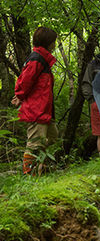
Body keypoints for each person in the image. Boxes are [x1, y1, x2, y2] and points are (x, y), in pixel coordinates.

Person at [12, 27, 58, 175]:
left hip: (45, 109)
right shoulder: (36, 59)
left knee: (52, 136)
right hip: (36, 109)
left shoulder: (43, 59)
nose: (55, 44)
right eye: (53, 42)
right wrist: (19, 95)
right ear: (48, 43)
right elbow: (25, 81)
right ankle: (30, 176)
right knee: (34, 143)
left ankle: (40, 168)